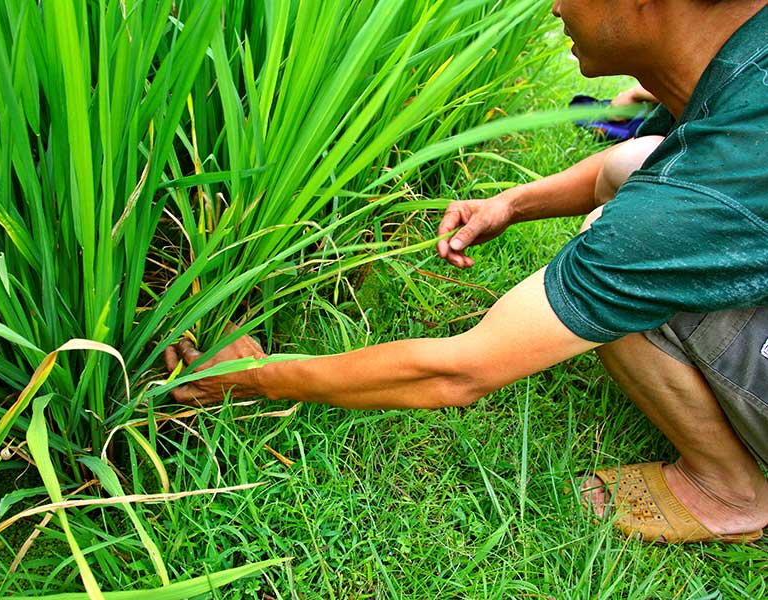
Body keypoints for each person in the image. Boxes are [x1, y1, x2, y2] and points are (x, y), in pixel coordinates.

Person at [165, 0, 768, 544]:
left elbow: (461, 371)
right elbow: (635, 160)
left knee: (615, 249)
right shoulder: (738, 64)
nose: (555, 4)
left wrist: (255, 376)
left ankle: (728, 493)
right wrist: (509, 204)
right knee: (640, 160)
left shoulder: (702, 195)